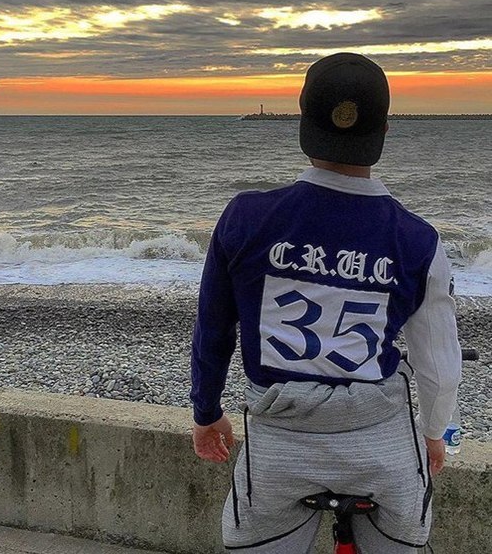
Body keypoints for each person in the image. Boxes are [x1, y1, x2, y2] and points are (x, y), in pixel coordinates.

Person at [190, 53, 462, 553]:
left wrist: (206, 411)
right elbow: (439, 367)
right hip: (380, 449)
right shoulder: (418, 241)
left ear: (303, 121)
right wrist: (433, 433)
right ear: (384, 129)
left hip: (278, 452)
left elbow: (213, 328)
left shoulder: (245, 217)